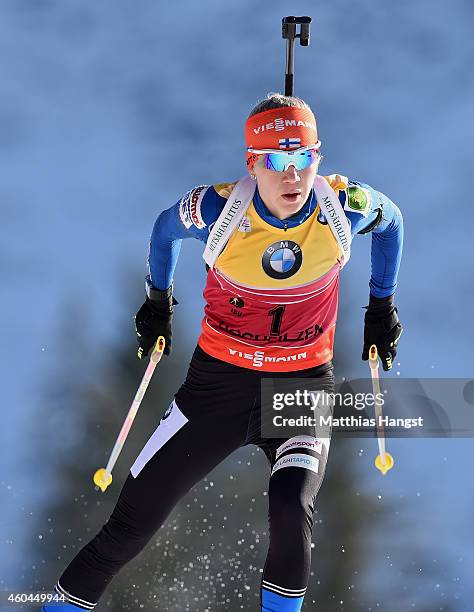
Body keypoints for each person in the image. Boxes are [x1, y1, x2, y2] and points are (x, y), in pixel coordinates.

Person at [42, 93, 403, 612]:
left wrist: (381, 307)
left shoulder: (343, 205)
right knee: (129, 526)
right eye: (277, 161)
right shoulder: (219, 209)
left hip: (302, 386)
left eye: (303, 157)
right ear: (252, 164)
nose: (292, 175)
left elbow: (393, 224)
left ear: (318, 158)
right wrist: (158, 301)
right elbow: (166, 230)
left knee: (289, 505)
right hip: (216, 390)